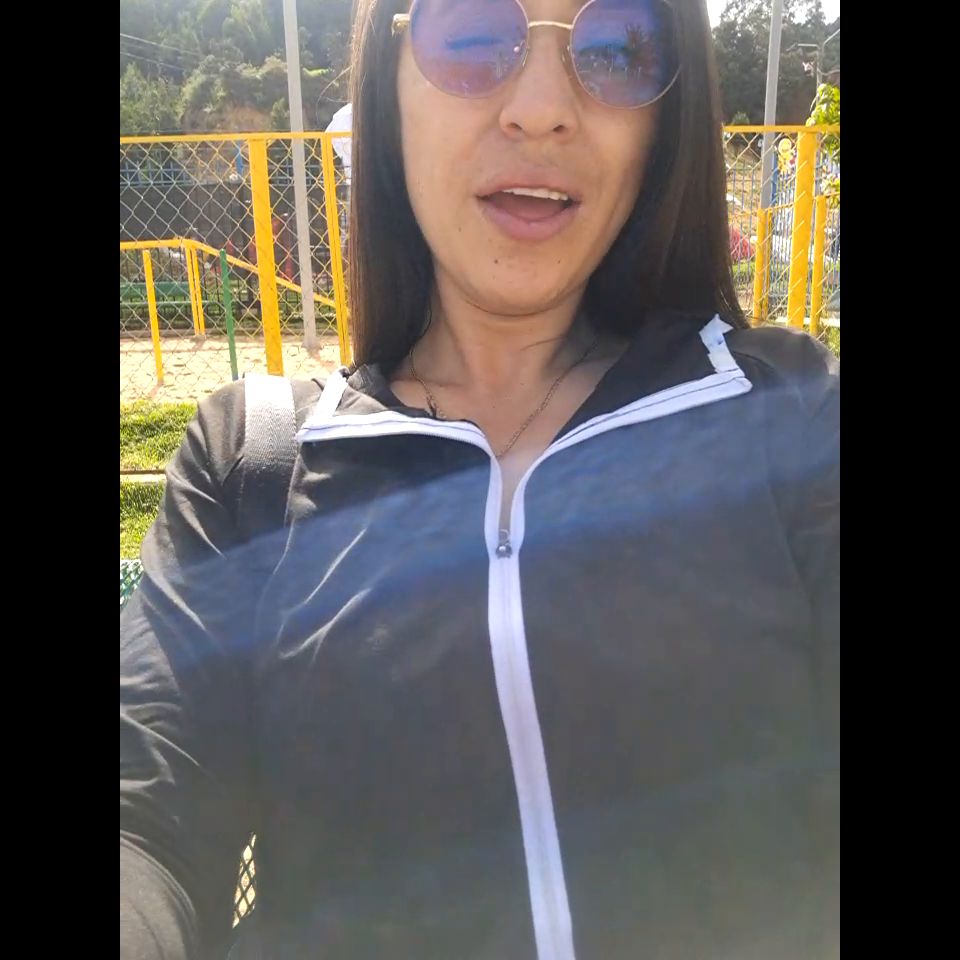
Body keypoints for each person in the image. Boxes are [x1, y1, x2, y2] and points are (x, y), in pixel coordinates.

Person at [121, 1, 839, 958]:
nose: (541, 107)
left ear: (666, 120)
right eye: (469, 34)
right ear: (388, 86)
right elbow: (148, 823)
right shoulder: (252, 464)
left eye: (616, 49)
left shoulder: (790, 417)